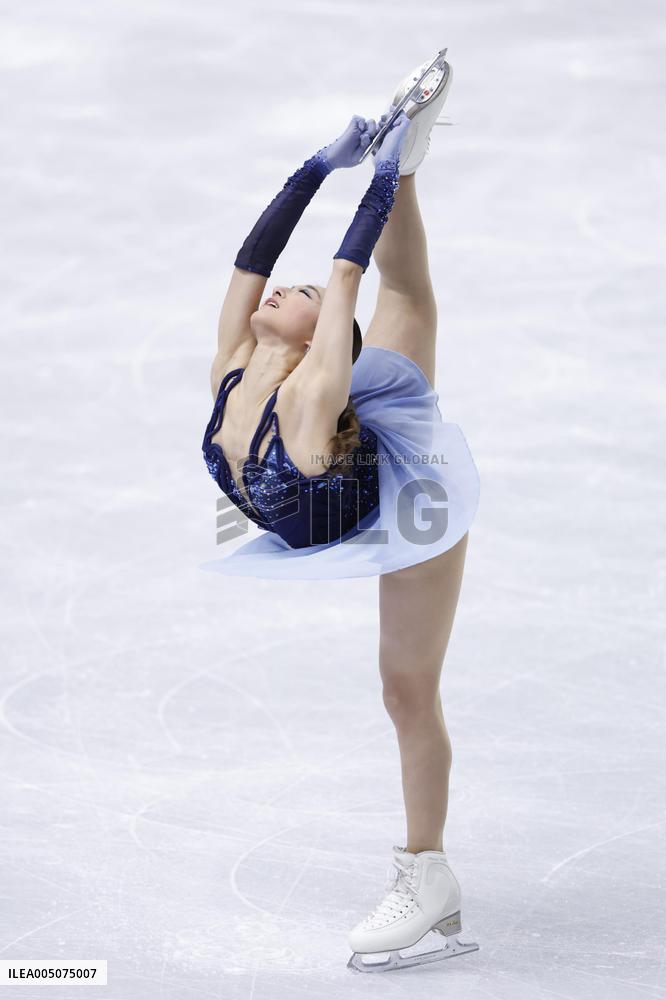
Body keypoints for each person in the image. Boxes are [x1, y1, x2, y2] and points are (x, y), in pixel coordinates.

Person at [201, 54, 481, 972]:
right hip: (308, 487)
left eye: (303, 299)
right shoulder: (233, 373)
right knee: (391, 308)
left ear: (326, 342)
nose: (283, 290)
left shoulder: (316, 397)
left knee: (404, 689)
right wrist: (311, 171)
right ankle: (408, 163)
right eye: (285, 295)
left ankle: (426, 873)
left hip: (400, 504)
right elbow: (254, 260)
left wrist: (382, 185)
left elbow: (352, 276)